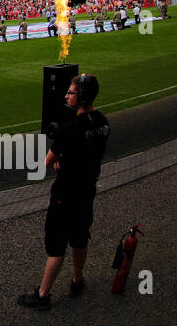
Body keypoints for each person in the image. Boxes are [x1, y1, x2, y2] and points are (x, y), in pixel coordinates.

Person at [19, 73, 110, 309]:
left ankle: (43, 295)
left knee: (56, 245)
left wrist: (59, 159)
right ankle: (77, 280)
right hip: (87, 189)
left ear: (80, 98)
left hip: (66, 193)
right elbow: (89, 153)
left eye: (70, 92)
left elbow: (47, 162)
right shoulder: (103, 122)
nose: (66, 95)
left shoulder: (69, 129)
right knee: (80, 236)